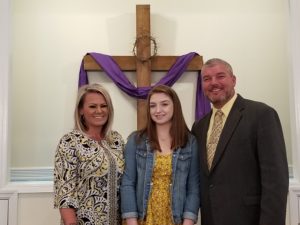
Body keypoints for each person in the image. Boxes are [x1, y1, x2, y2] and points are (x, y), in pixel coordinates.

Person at [191, 58, 289, 225]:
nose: (213, 83)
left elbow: (276, 182)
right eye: (207, 79)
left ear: (233, 80)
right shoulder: (199, 127)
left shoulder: (261, 115)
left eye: (220, 76)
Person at [121, 85, 200, 225]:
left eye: (164, 104)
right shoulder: (136, 140)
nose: (158, 110)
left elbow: (193, 186)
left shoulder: (190, 142)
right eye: (152, 106)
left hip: (175, 219)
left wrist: (188, 221)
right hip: (143, 218)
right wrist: (131, 221)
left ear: (175, 106)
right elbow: (128, 183)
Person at [54, 83, 125, 225]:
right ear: (81, 110)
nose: (99, 110)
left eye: (104, 106)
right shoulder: (70, 141)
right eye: (93, 106)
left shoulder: (116, 140)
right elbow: (65, 193)